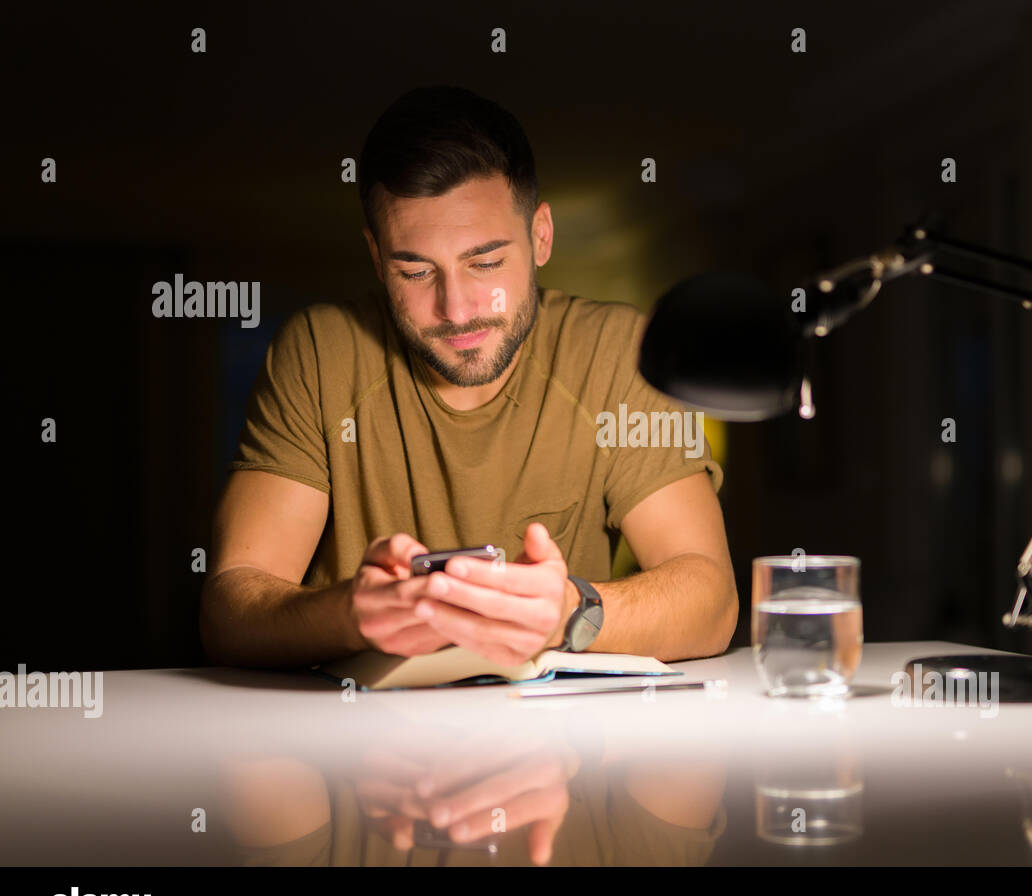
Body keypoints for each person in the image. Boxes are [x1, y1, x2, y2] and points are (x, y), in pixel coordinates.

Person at [199, 85, 737, 669]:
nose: (455, 309)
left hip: (565, 742)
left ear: (541, 236)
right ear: (377, 258)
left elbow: (712, 603)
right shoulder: (318, 353)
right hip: (351, 744)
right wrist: (351, 615)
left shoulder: (618, 352)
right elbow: (230, 610)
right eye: (414, 271)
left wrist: (570, 612)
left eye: (485, 263)